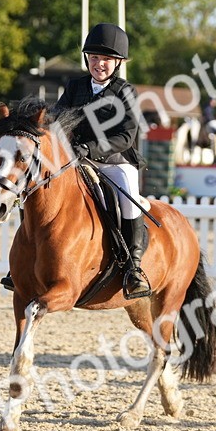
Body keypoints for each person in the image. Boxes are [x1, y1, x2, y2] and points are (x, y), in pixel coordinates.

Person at [54, 23, 151, 298]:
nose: (99, 64)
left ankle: (134, 267)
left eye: (106, 59)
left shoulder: (125, 92)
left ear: (117, 62)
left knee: (129, 194)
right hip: (77, 159)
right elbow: (56, 120)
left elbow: (127, 136)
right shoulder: (75, 87)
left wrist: (91, 148)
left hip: (115, 161)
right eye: (94, 58)